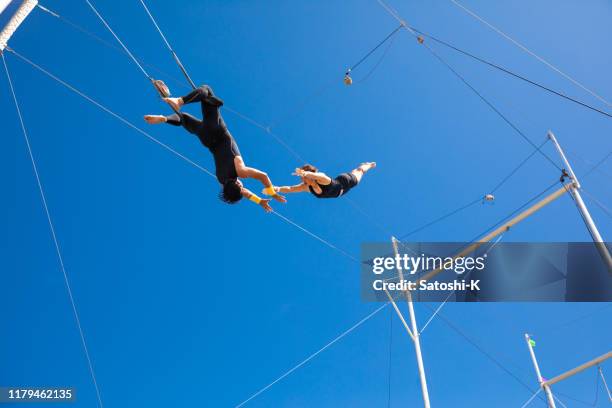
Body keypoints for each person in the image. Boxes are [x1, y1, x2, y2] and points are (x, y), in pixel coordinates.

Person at [144, 83, 286, 212]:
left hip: (217, 130)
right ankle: (164, 118)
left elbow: (263, 176)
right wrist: (260, 201)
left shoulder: (241, 171)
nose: (243, 188)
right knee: (184, 119)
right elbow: (242, 192)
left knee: (207, 91)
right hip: (206, 138)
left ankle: (179, 101)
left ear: (239, 184)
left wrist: (271, 191)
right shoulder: (221, 180)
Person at [275, 162, 376, 198]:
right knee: (355, 171)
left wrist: (305, 173)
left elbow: (317, 176)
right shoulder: (305, 186)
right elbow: (290, 189)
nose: (302, 179)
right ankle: (361, 166)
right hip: (341, 192)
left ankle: (368, 165)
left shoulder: (321, 178)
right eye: (301, 177)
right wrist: (277, 189)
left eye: (303, 177)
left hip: (346, 181)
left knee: (360, 171)